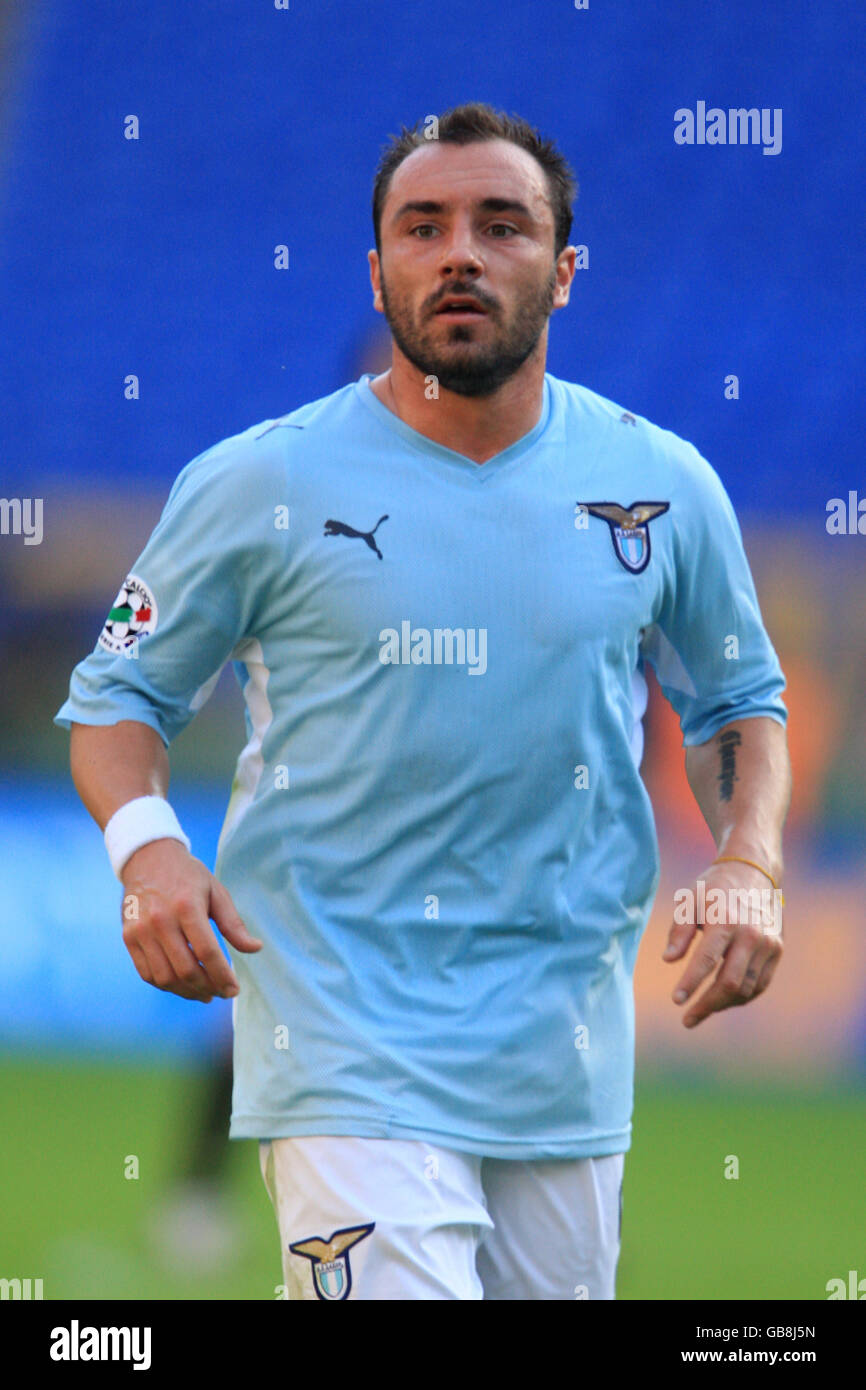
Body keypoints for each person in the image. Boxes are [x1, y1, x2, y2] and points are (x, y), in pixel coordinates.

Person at [55, 102, 791, 1301]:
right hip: (343, 1034)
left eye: (500, 226)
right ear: (377, 268)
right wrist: (148, 854)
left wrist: (748, 860)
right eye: (422, 225)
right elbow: (117, 697)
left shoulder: (659, 485)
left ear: (561, 274)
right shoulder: (259, 480)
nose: (458, 252)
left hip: (563, 1049)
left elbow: (737, 702)